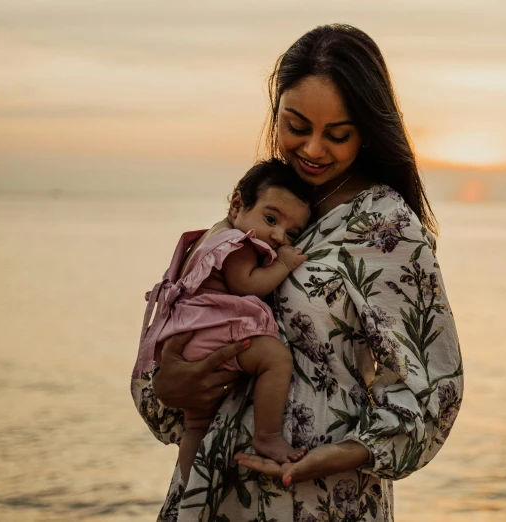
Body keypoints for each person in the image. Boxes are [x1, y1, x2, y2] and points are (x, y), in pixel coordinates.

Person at [131, 23, 464, 522]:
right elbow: (177, 323)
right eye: (296, 126)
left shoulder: (385, 227)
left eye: (338, 134)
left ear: (368, 131)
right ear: (276, 114)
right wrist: (165, 388)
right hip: (209, 488)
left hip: (317, 497)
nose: (311, 149)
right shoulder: (266, 207)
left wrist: (345, 454)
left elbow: (434, 385)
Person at [133, 160, 312, 487]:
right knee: (275, 358)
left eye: (291, 233)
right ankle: (268, 435)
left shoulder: (210, 236)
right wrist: (284, 264)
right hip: (214, 334)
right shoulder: (237, 243)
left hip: (189, 337)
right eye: (271, 219)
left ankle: (191, 489)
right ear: (237, 203)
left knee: (196, 426)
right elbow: (248, 285)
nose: (277, 235)